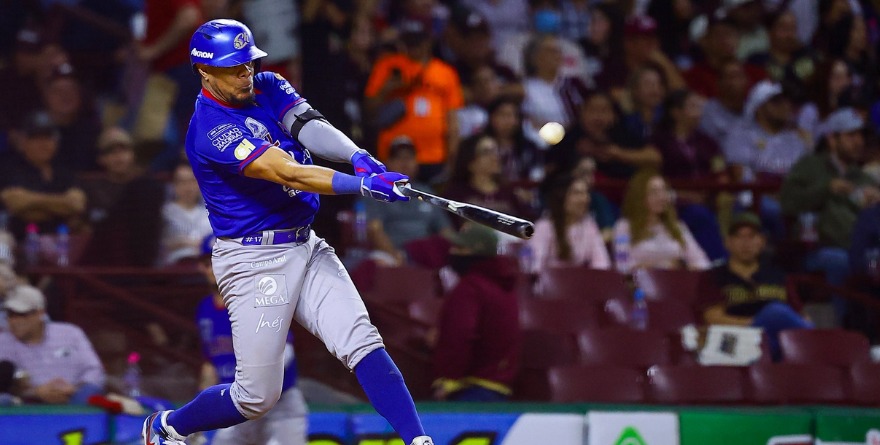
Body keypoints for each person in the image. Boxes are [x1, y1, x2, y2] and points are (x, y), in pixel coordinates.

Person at [142, 19, 433, 445]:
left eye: (247, 63)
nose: (245, 74)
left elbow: (307, 125)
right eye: (233, 68)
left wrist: (358, 156)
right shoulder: (211, 128)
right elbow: (288, 172)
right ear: (204, 71)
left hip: (305, 242)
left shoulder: (266, 84)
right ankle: (167, 426)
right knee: (255, 397)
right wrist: (361, 186)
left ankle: (418, 440)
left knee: (362, 341)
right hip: (252, 259)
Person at [195, 237, 307, 445]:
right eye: (208, 262)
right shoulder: (205, 309)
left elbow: (286, 352)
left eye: (221, 258)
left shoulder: (257, 296)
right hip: (239, 405)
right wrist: (199, 414)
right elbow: (210, 365)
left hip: (280, 404)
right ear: (201, 267)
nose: (215, 267)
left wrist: (255, 381)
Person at [780, 108, 880, 324]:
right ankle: (844, 328)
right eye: (851, 136)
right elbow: (787, 203)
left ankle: (871, 329)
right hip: (817, 250)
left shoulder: (863, 177)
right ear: (832, 140)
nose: (859, 142)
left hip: (863, 252)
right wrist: (825, 188)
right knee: (840, 261)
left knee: (873, 265)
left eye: (861, 135)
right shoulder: (810, 166)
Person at [701, 212, 812, 361]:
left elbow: (801, 316)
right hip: (735, 341)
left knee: (780, 329)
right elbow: (713, 318)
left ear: (762, 242)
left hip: (775, 343)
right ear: (728, 242)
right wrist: (760, 324)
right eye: (739, 237)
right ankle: (818, 347)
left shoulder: (778, 276)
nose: (745, 243)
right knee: (775, 312)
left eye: (751, 236)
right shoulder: (715, 275)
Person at [364, 17, 463, 182]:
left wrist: (453, 157)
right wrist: (389, 88)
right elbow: (369, 110)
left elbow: (452, 119)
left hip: (434, 155)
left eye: (418, 42)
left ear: (428, 42)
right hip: (394, 155)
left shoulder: (445, 72)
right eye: (409, 41)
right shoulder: (388, 65)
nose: (413, 47)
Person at [432, 223, 521, 402]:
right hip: (499, 387)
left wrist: (450, 379)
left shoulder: (470, 288)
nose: (452, 251)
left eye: (460, 248)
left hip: (471, 389)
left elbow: (460, 335)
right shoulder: (503, 285)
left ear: (476, 253)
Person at [0, 285, 106, 404]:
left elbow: (95, 369)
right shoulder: (3, 341)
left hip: (74, 396)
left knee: (90, 390)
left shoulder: (70, 333)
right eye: (10, 315)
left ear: (40, 313)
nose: (14, 321)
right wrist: (35, 392)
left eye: (22, 314)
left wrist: (75, 388)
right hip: (28, 403)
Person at [363, 136, 453, 266]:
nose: (405, 163)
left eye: (410, 158)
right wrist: (395, 255)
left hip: (425, 254)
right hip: (392, 253)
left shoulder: (426, 192)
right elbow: (375, 229)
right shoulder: (376, 191)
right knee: (379, 263)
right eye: (399, 158)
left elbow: (445, 230)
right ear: (388, 162)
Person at [0, 111, 87, 240]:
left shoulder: (63, 171)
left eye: (47, 138)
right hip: (19, 238)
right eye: (35, 138)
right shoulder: (9, 168)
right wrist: (61, 206)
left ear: (56, 142)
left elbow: (76, 204)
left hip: (62, 238)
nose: (43, 144)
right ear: (23, 142)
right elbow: (15, 203)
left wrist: (32, 202)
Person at [613, 169, 711, 274]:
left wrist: (685, 267)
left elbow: (702, 262)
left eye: (664, 191)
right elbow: (622, 264)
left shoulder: (677, 227)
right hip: (639, 283)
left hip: (675, 281)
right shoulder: (623, 228)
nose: (661, 197)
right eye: (654, 192)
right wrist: (660, 268)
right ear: (639, 197)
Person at [527, 175, 611, 273]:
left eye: (586, 193)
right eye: (577, 193)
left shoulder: (589, 226)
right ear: (561, 197)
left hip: (579, 281)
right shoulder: (544, 227)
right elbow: (534, 267)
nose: (585, 199)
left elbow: (602, 264)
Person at [158, 163, 213, 266]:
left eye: (192, 181)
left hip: (206, 265)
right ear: (174, 185)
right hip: (175, 266)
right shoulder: (164, 212)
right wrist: (182, 242)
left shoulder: (210, 212)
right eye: (182, 182)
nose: (188, 187)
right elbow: (159, 244)